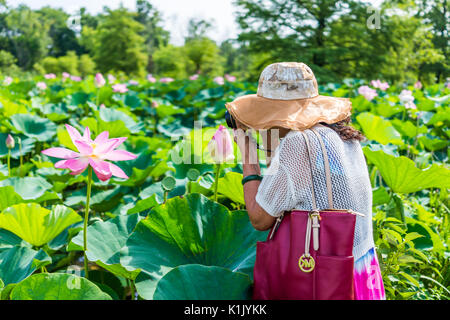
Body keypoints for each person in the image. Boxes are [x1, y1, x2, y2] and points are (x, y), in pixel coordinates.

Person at [227, 62, 385, 300]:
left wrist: (249, 157)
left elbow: (259, 218)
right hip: (362, 269)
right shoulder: (344, 137)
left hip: (324, 276)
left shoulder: (297, 144)